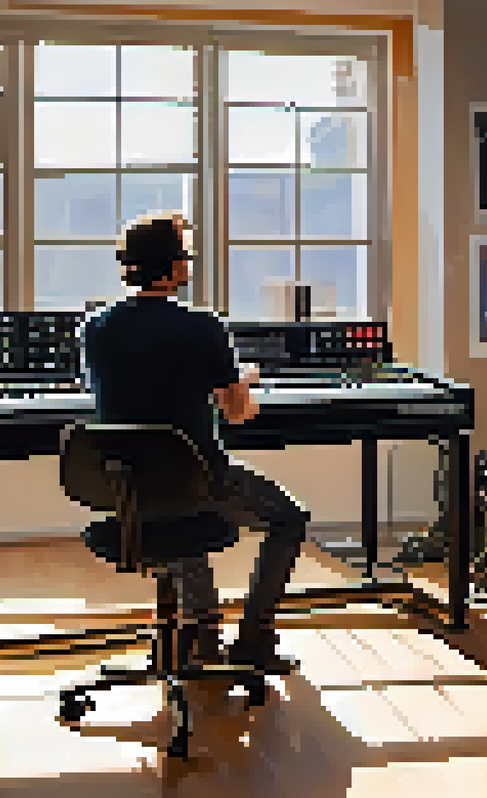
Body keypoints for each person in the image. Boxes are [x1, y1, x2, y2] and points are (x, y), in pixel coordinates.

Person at [79, 212, 308, 671]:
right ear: (174, 266)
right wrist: (243, 383)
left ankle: (201, 637)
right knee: (287, 519)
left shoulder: (96, 326)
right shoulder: (203, 326)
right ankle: (254, 640)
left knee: (176, 497)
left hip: (126, 485)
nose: (189, 262)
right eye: (184, 253)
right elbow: (237, 414)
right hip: (196, 478)